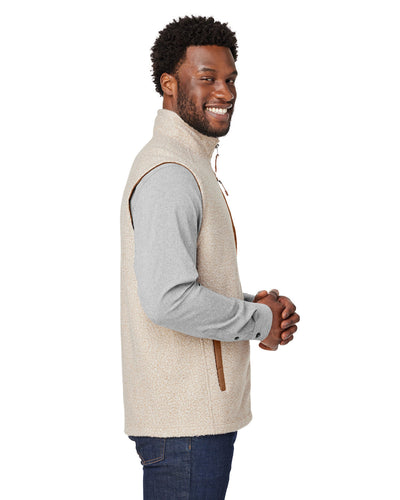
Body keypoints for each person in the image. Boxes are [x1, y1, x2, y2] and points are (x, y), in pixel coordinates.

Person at [120, 15, 300, 499]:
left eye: (230, 79)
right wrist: (260, 321)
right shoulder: (171, 171)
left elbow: (182, 282)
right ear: (169, 84)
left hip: (191, 424)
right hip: (185, 428)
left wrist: (255, 307)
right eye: (207, 78)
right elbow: (168, 299)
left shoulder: (189, 163)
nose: (225, 91)